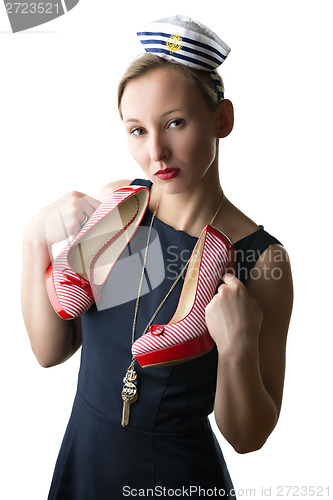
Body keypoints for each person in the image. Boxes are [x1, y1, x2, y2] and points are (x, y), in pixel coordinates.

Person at [21, 15, 293, 499]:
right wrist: (33, 237)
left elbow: (247, 438)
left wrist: (236, 346)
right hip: (86, 458)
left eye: (175, 123)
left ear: (222, 120)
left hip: (176, 479)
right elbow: (51, 350)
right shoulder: (120, 211)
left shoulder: (260, 261)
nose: (156, 153)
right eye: (137, 130)